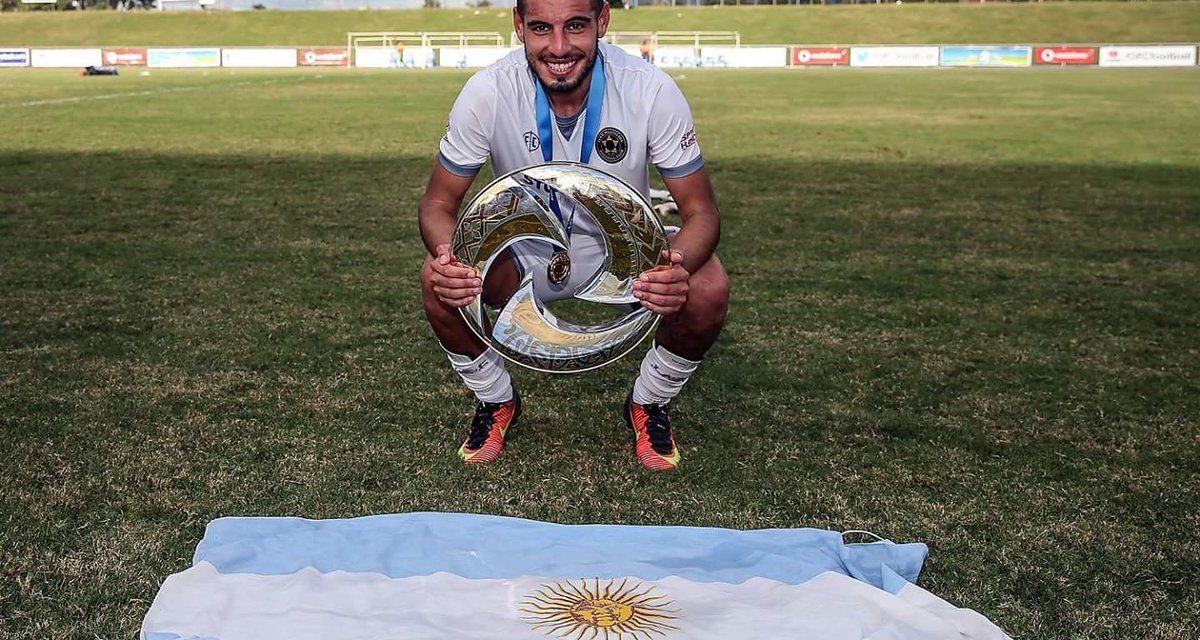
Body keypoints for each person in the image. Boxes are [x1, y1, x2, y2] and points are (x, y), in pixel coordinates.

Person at [418, 0, 728, 471]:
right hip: (530, 246)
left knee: (707, 286)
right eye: (542, 28)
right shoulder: (487, 91)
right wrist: (449, 257)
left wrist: (676, 263)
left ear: (602, 21)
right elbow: (438, 205)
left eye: (576, 26)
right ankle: (496, 400)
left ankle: (648, 404)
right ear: (519, 26)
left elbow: (702, 211)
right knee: (439, 280)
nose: (559, 47)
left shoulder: (650, 90)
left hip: (624, 249)